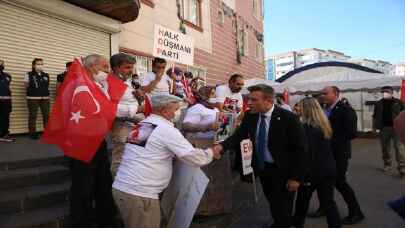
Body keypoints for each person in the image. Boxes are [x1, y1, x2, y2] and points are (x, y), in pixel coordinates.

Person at [112, 94, 222, 228]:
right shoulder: (166, 129)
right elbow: (194, 157)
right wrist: (211, 152)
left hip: (129, 189)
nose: (178, 113)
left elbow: (150, 150)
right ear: (164, 110)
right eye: (175, 110)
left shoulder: (144, 124)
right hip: (139, 194)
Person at [214, 84, 308, 228]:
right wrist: (221, 147)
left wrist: (296, 177)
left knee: (284, 208)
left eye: (254, 100)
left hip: (285, 172)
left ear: (269, 101)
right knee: (273, 202)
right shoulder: (250, 117)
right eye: (249, 99)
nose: (249, 103)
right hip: (264, 170)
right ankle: (278, 222)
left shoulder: (288, 118)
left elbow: (300, 150)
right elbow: (238, 136)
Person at [69, 54, 117, 228]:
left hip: (98, 141)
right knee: (83, 187)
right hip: (82, 142)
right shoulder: (81, 86)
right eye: (104, 67)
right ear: (92, 66)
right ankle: (81, 221)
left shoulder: (96, 85)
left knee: (103, 183)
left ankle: (105, 219)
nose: (107, 71)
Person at [292, 97, 341, 228]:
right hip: (328, 170)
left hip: (313, 173)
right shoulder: (323, 124)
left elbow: (307, 155)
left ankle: (297, 224)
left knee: (302, 204)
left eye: (299, 107)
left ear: (306, 109)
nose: (296, 108)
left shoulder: (307, 128)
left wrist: (300, 176)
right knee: (329, 203)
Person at [320, 86, 364, 225]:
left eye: (326, 93)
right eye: (322, 93)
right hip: (324, 152)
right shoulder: (324, 109)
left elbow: (352, 133)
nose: (323, 95)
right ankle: (325, 208)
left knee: (340, 182)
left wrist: (331, 137)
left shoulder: (346, 110)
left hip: (338, 153)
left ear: (336, 94)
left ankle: (356, 212)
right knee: (323, 182)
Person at [109, 53, 144, 178]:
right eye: (127, 67)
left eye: (132, 68)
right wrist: (138, 110)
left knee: (133, 157)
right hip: (121, 127)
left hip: (135, 126)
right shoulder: (109, 83)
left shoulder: (128, 82)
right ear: (116, 68)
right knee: (120, 160)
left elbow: (132, 103)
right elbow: (110, 109)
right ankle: (118, 188)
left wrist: (140, 98)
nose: (131, 71)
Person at [372, 86, 405, 176]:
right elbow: (374, 116)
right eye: (383, 91)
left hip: (397, 128)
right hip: (384, 128)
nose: (385, 93)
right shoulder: (378, 103)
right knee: (385, 147)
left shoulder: (399, 102)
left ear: (392, 92)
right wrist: (374, 128)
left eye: (387, 91)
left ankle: (402, 167)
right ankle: (387, 164)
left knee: (399, 148)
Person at [24, 58, 50, 139]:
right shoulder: (28, 74)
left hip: (45, 98)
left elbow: (46, 85)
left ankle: (48, 133)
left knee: (46, 115)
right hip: (33, 98)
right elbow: (26, 85)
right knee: (33, 116)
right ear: (33, 65)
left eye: (41, 64)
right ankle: (32, 133)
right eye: (38, 64)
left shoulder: (46, 75)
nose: (40, 65)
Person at [0, 60, 14, 142]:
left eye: (2, 64)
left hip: (6, 100)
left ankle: (5, 134)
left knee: (6, 117)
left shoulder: (8, 76)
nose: (1, 65)